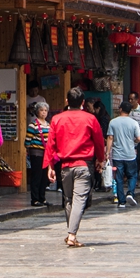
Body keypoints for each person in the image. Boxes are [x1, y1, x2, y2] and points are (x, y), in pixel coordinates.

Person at [44, 90, 104, 247]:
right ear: (83, 102)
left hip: (64, 166)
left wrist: (50, 165)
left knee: (69, 199)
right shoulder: (90, 118)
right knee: (79, 199)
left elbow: (50, 143)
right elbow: (98, 141)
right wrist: (100, 159)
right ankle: (72, 235)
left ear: (66, 100)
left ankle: (71, 232)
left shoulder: (57, 119)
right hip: (83, 164)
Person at [106, 101, 140, 206]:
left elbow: (110, 137)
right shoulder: (134, 123)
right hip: (130, 154)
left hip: (117, 155)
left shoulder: (113, 122)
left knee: (119, 178)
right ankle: (130, 192)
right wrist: (134, 142)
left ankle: (121, 201)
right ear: (130, 111)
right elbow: (139, 138)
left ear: (120, 109)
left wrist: (107, 152)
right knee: (132, 175)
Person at [25, 100, 51, 206]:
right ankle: (35, 199)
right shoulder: (33, 125)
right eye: (41, 110)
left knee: (44, 176)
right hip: (36, 153)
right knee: (37, 175)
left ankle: (42, 198)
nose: (44, 112)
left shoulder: (48, 125)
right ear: (37, 112)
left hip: (46, 153)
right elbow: (27, 140)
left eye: (45, 110)